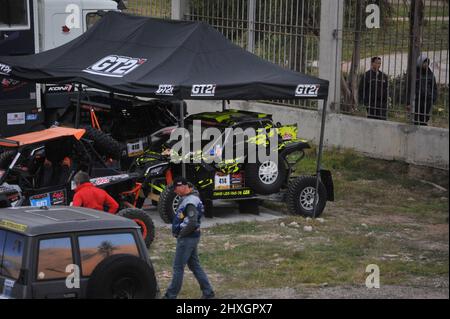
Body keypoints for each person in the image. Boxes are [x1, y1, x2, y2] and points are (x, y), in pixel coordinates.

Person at [163, 177, 215, 299]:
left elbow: (192, 222)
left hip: (187, 238)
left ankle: (170, 296)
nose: (175, 192)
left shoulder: (190, 201)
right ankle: (208, 292)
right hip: (191, 237)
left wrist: (181, 234)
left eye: (176, 189)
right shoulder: (189, 199)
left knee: (178, 267)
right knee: (194, 265)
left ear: (182, 186)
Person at [407, 55, 438, 126]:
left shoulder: (430, 75)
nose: (426, 64)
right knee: (415, 119)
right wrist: (408, 102)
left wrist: (433, 98)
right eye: (424, 62)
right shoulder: (415, 74)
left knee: (424, 119)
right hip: (416, 100)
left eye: (427, 63)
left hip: (427, 101)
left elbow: (434, 88)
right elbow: (409, 89)